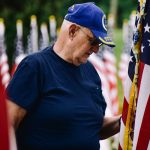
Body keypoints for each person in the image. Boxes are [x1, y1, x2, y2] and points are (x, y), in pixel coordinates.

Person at [7, 2, 121, 150]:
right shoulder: (35, 67)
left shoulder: (91, 72)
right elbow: (7, 126)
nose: (95, 50)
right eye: (93, 41)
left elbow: (91, 126)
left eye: (99, 44)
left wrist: (123, 121)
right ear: (72, 31)